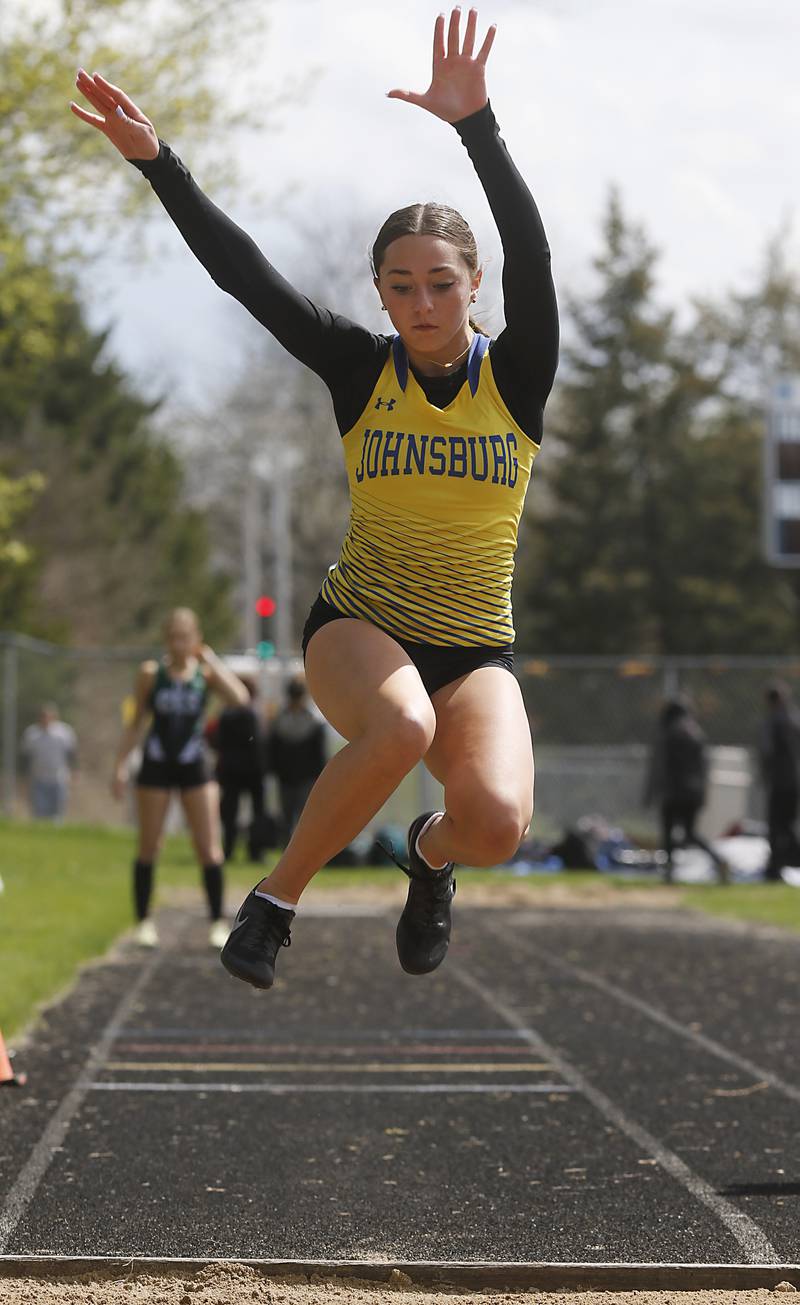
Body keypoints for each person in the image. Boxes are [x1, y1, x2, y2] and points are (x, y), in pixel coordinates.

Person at [71, 6, 558, 988]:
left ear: (474, 287)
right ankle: (274, 900)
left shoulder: (516, 375)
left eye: (440, 285)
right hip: (361, 624)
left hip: (472, 648)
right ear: (378, 294)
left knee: (496, 826)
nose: (421, 304)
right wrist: (157, 162)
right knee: (401, 729)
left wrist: (476, 128)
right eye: (400, 286)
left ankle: (423, 857)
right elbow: (243, 278)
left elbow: (537, 259)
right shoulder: (356, 367)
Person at [110, 608, 249, 948]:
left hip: (195, 765)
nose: (178, 643)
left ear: (196, 639)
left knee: (208, 847)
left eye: (185, 637)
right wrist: (120, 764)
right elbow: (137, 721)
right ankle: (143, 922)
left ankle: (216, 921)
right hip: (156, 763)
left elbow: (240, 698)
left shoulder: (205, 673)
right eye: (173, 637)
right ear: (165, 639)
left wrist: (212, 659)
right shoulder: (150, 673)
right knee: (149, 845)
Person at [645, 696, 729, 885]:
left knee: (668, 832)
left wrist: (652, 793)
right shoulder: (695, 732)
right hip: (693, 792)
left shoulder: (669, 732)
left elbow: (661, 766)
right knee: (690, 833)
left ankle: (668, 872)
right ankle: (718, 860)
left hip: (674, 791)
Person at [206, 674, 269, 863]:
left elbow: (217, 741)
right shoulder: (254, 714)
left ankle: (229, 849)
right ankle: (256, 851)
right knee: (257, 812)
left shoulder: (226, 715)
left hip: (231, 770)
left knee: (230, 814)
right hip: (253, 771)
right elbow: (260, 744)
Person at [267, 675, 327, 844]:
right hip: (286, 776)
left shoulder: (313, 720)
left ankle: (304, 848)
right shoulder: (281, 718)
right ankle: (287, 850)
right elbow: (273, 750)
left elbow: (319, 754)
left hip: (306, 777)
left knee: (304, 817)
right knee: (286, 816)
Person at [758, 680, 800, 881]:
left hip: (778, 781)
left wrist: (765, 774)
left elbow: (767, 751)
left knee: (775, 826)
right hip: (793, 779)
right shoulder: (794, 719)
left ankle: (775, 868)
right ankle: (787, 861)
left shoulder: (772, 721)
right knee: (788, 825)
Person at [20, 703, 78, 821]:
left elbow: (71, 754)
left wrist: (74, 770)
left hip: (59, 778)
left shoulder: (64, 733)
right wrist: (24, 776)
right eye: (43, 716)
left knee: (57, 814)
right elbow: (25, 757)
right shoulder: (32, 734)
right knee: (39, 813)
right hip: (38, 778)